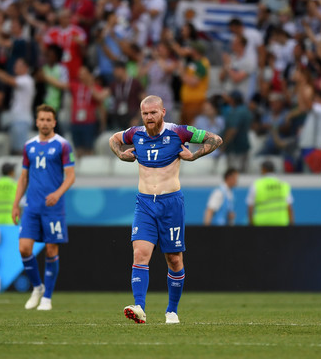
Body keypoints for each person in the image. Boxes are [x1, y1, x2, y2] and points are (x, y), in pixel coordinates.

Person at [109, 95, 222, 324]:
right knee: (140, 254)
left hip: (171, 204)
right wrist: (121, 154)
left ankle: (172, 310)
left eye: (153, 112)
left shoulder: (179, 132)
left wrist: (194, 155)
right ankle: (139, 307)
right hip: (144, 204)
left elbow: (215, 139)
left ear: (163, 112)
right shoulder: (135, 134)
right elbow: (113, 139)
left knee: (174, 259)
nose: (149, 117)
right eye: (145, 113)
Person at [12, 104, 75, 311]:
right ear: (36, 121)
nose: (45, 123)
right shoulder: (28, 146)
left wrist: (57, 193)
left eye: (49, 120)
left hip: (53, 208)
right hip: (31, 206)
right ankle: (37, 287)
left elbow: (71, 176)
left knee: (51, 249)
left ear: (54, 122)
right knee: (24, 248)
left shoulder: (63, 145)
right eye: (42, 119)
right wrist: (15, 204)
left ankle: (47, 297)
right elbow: (23, 177)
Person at [246, 160, 294, 227]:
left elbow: (250, 206)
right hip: (281, 223)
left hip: (262, 223)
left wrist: (251, 223)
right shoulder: (283, 185)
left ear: (263, 170)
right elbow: (289, 207)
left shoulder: (256, 185)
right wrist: (291, 223)